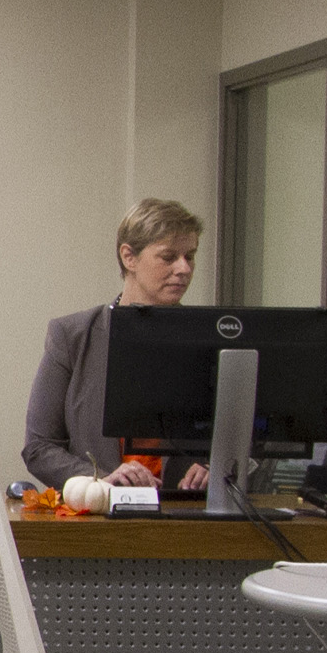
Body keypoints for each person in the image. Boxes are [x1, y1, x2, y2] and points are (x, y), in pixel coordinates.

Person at [22, 198, 211, 491]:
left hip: (185, 518)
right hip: (102, 517)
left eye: (190, 256)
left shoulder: (207, 338)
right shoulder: (72, 335)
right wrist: (98, 479)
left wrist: (216, 468)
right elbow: (39, 448)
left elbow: (255, 442)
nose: (184, 268)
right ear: (129, 257)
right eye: (169, 257)